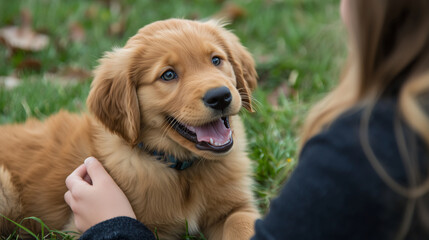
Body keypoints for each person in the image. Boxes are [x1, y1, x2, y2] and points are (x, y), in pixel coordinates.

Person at [64, 0, 429, 239]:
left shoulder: (357, 151)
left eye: (216, 60)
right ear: (124, 106)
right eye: (169, 75)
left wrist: (114, 228)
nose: (217, 89)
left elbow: (238, 214)